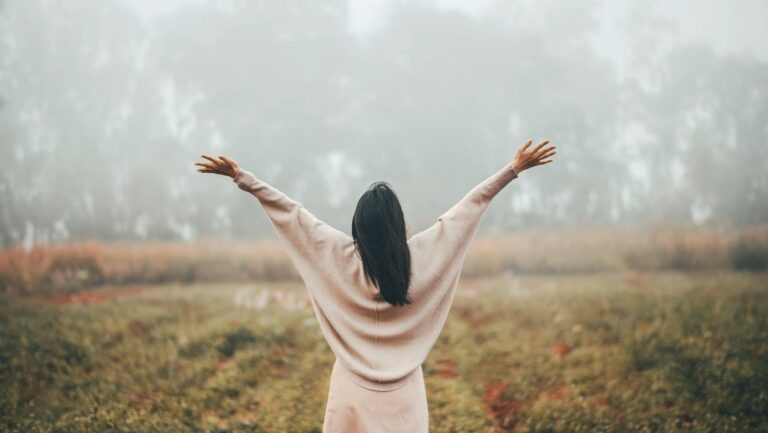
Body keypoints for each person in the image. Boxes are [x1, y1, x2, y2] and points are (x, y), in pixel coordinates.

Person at [194, 139, 556, 432]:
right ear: (399, 224)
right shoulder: (422, 258)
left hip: (351, 392)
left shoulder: (337, 256)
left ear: (358, 226)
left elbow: (292, 214)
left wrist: (243, 178)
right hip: (405, 399)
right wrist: (512, 171)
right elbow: (467, 209)